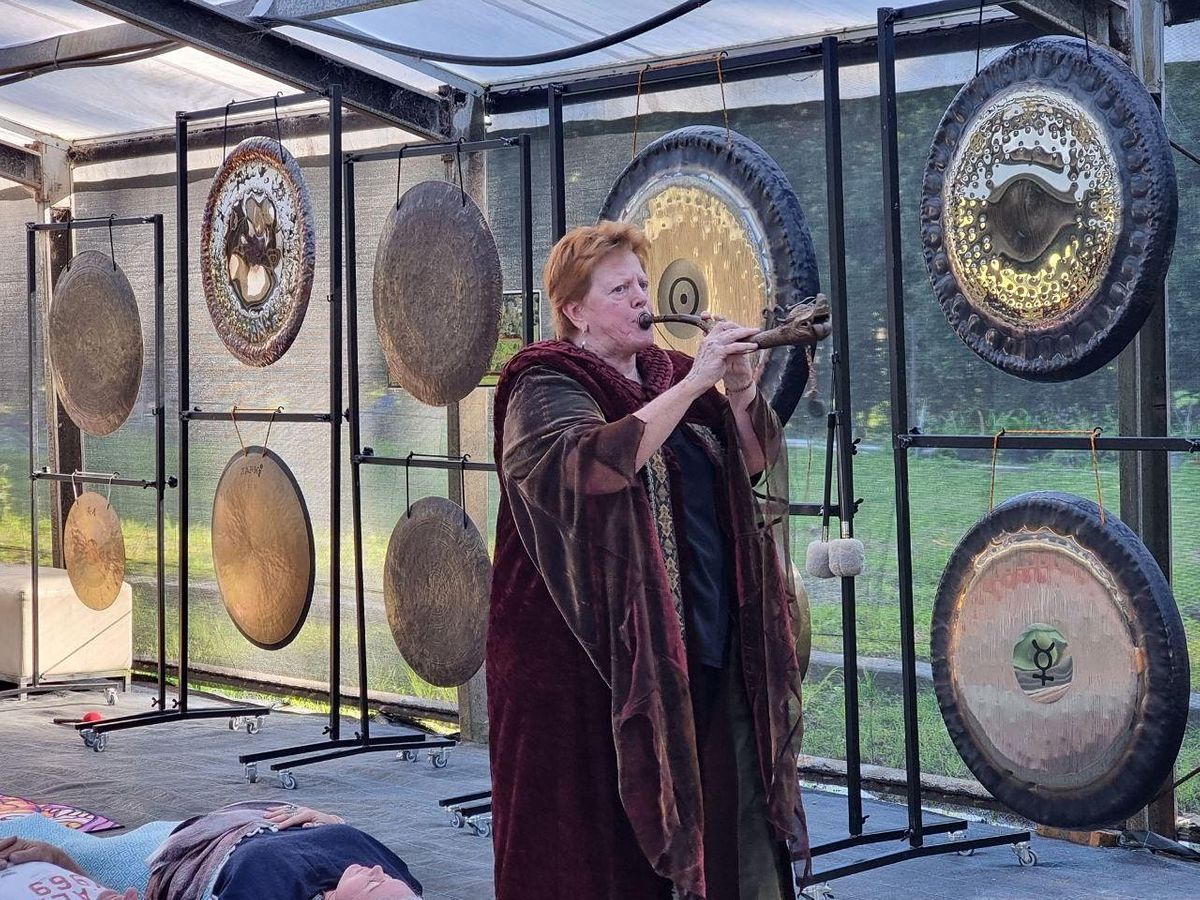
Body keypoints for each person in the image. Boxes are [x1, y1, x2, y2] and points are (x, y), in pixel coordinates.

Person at [487, 221, 819, 899]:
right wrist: (696, 382)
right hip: (585, 659)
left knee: (717, 810)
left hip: (696, 634)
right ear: (575, 310)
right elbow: (590, 466)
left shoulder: (669, 372)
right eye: (620, 288)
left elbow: (750, 463)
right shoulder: (546, 380)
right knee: (598, 842)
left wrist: (737, 385)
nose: (642, 296)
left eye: (642, 281)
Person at [0, 803, 420, 900]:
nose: (380, 872)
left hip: (175, 858)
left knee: (43, 841)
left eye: (377, 887)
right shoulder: (393, 878)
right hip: (235, 822)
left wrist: (61, 861)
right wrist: (327, 818)